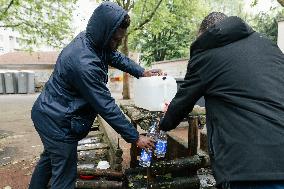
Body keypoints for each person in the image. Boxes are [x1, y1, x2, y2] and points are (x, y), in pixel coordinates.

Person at [29, 2, 159, 189]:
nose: (117, 44)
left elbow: (115, 56)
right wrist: (135, 137)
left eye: (120, 40)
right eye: (115, 39)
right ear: (105, 33)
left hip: (50, 113)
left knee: (49, 161)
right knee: (65, 177)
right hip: (57, 121)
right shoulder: (83, 63)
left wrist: (141, 72)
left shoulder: (94, 41)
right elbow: (105, 105)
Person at [159, 12, 284, 189]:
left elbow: (180, 106)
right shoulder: (267, 45)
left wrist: (163, 122)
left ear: (205, 34)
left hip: (249, 170)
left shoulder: (207, 53)